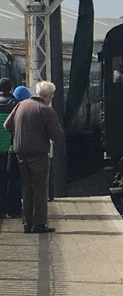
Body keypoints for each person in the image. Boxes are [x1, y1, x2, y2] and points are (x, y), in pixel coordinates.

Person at [4, 81, 64, 233]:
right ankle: (39, 224)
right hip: (38, 154)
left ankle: (27, 223)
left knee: (26, 188)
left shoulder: (21, 105)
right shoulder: (46, 110)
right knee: (39, 189)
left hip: (20, 153)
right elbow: (57, 135)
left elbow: (7, 125)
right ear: (49, 96)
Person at [0, 79, 20, 218]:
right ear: (11, 89)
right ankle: (14, 210)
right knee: (14, 180)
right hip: (11, 148)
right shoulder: (16, 104)